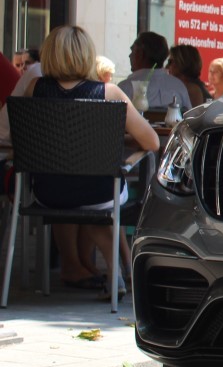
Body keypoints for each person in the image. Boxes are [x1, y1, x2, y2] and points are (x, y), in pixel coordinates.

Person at [23, 26, 159, 292]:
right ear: (87, 56)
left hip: (48, 191)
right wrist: (118, 137)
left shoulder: (34, 88)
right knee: (98, 196)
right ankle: (116, 271)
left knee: (80, 185)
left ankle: (107, 270)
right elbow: (152, 142)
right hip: (98, 192)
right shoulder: (109, 93)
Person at [118, 31, 191, 114]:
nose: (129, 55)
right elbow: (189, 119)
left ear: (140, 54)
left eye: (132, 50)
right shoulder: (178, 86)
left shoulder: (125, 88)